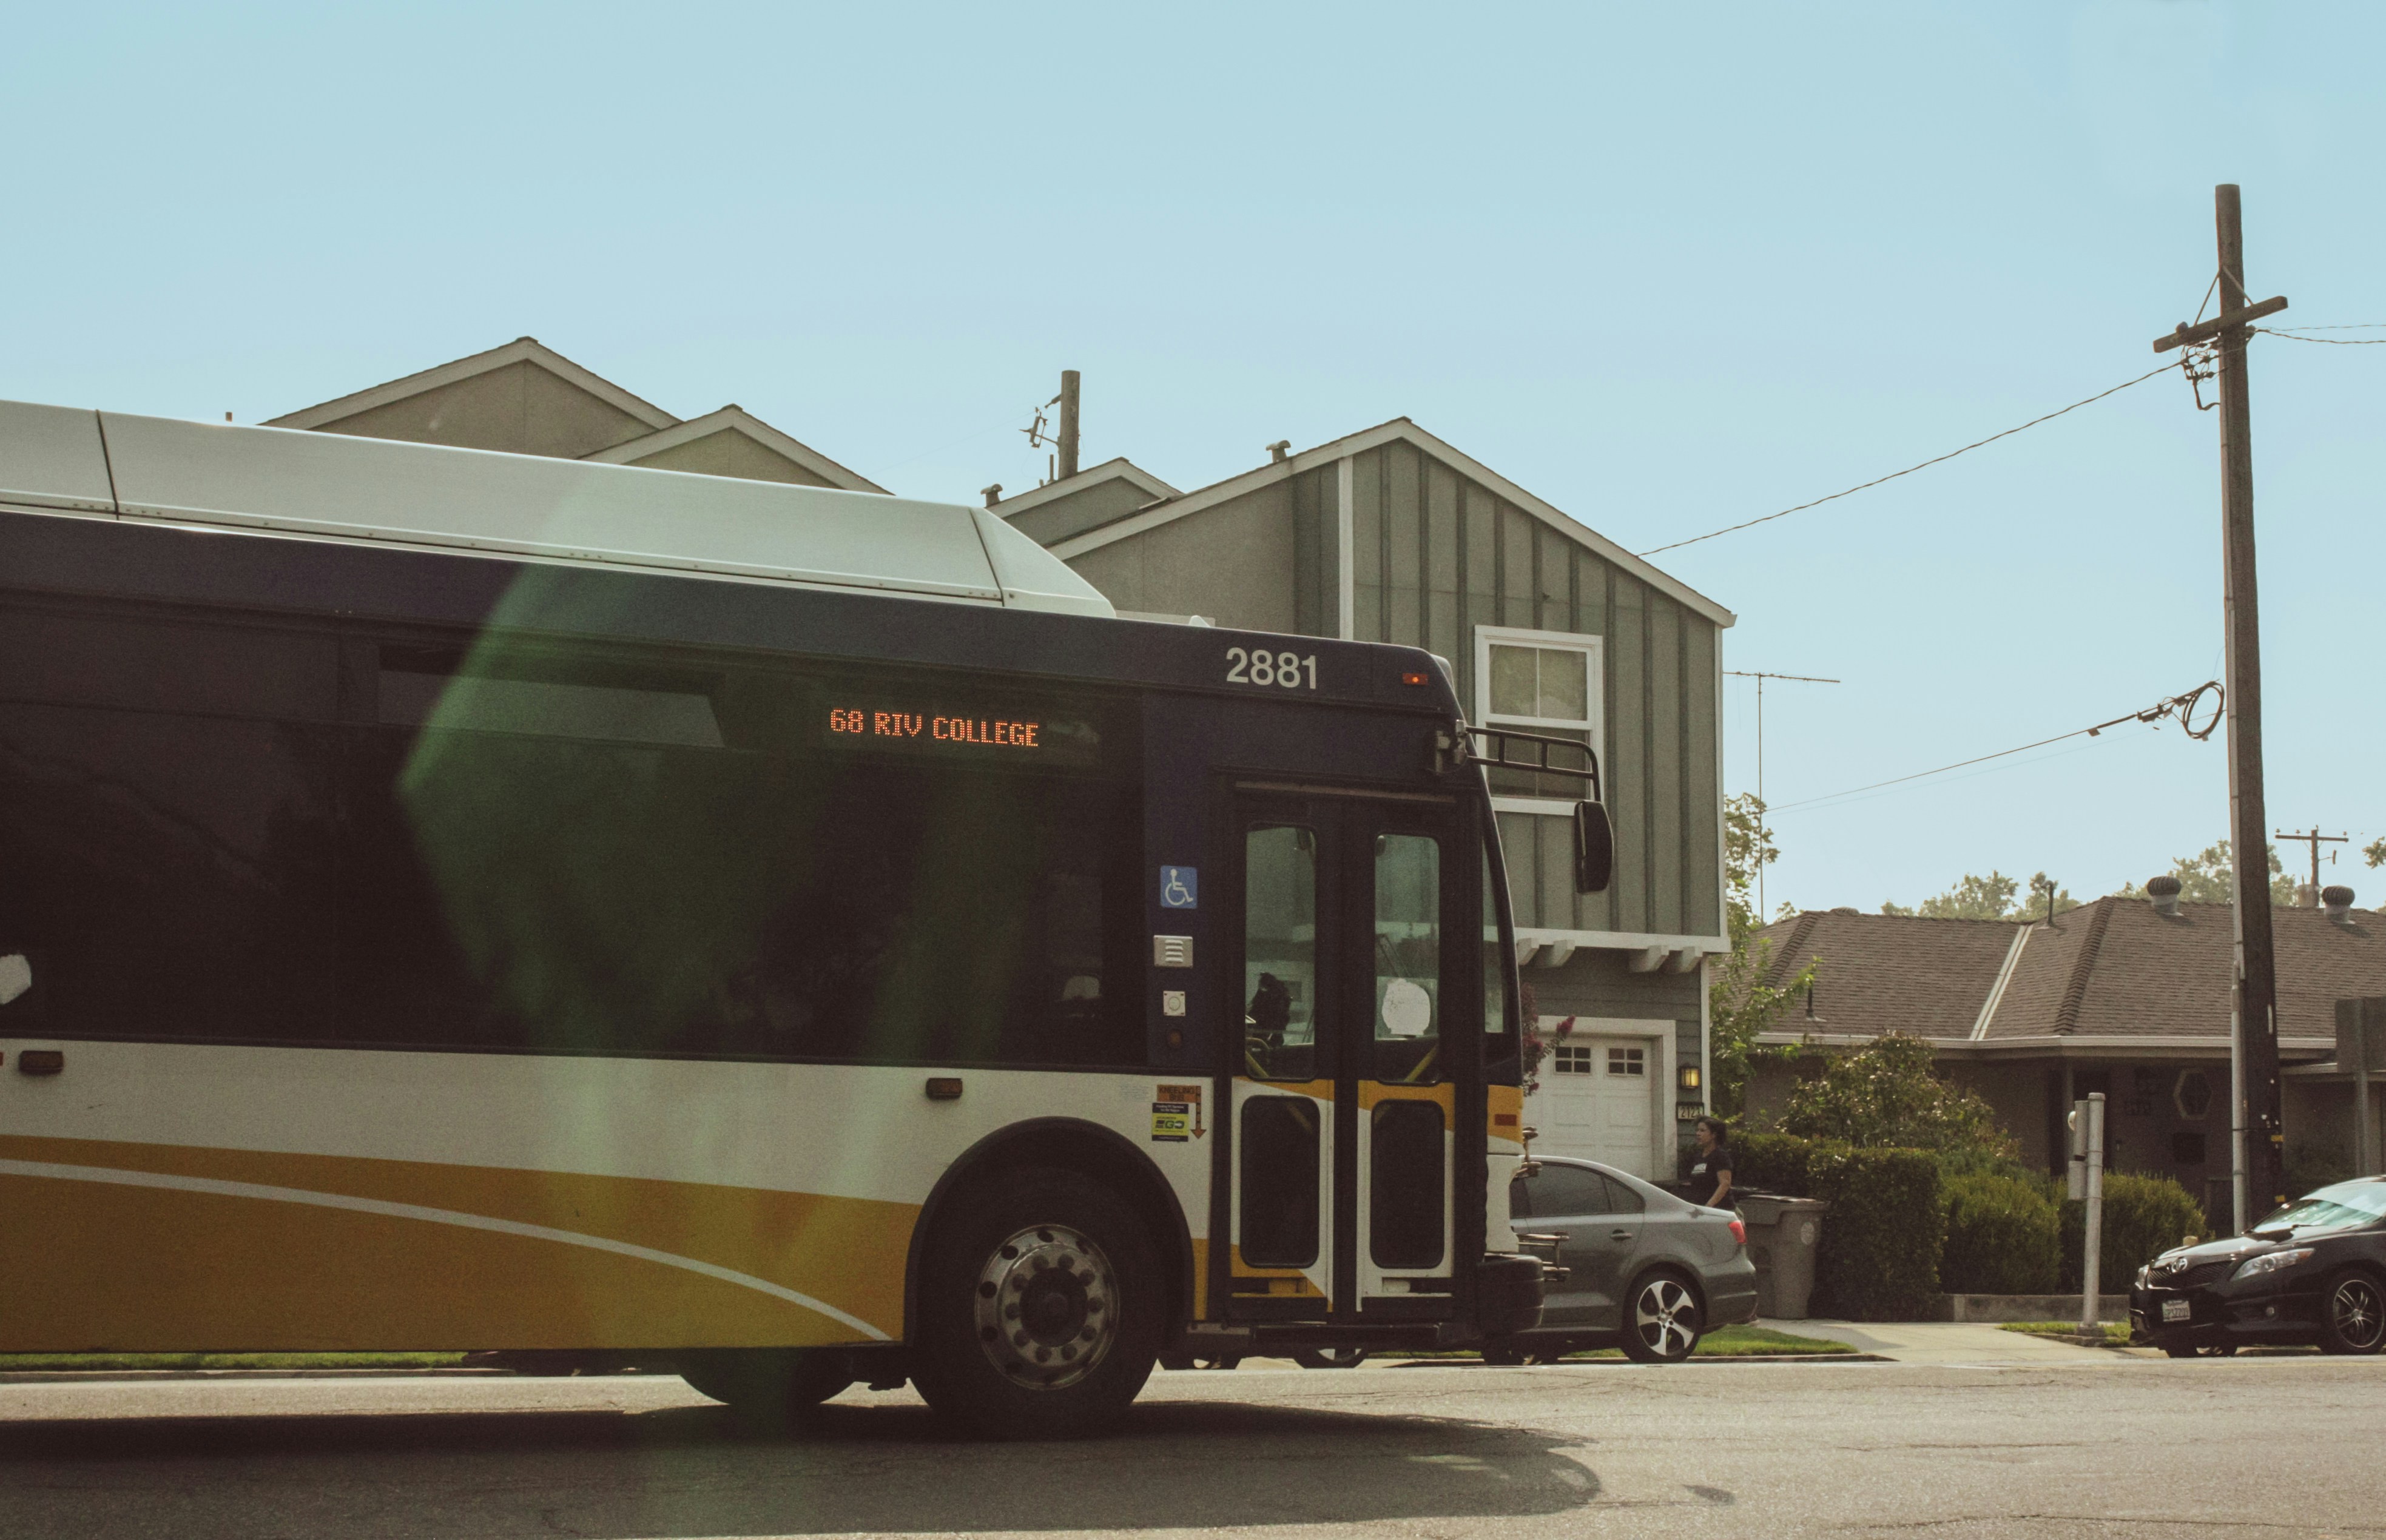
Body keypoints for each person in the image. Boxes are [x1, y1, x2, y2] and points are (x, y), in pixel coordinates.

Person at [1688, 1116, 1735, 1209]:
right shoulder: (1699, 1157)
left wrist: (1709, 1206)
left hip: (1719, 1210)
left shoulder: (1720, 1156)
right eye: (1697, 1130)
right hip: (1700, 1210)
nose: (1698, 1134)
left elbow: (1725, 1184)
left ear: (1714, 1135)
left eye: (1702, 1131)